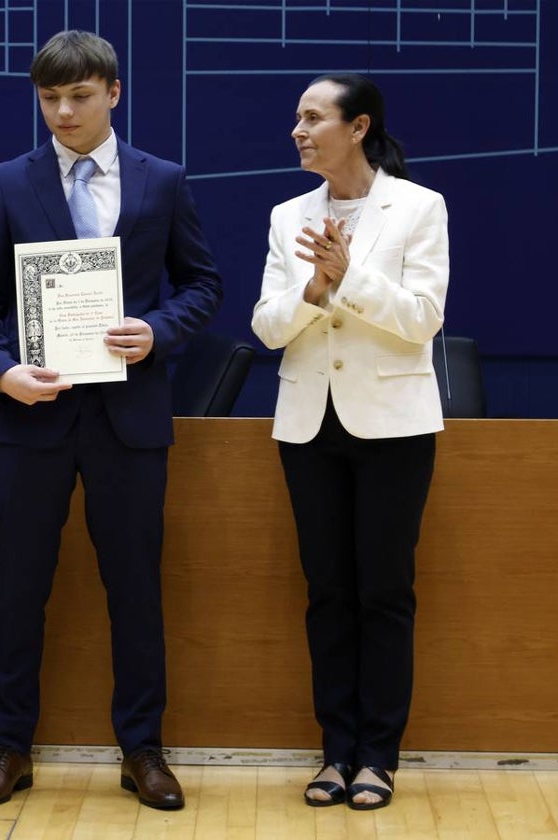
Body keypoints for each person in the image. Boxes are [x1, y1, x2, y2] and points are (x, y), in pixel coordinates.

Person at [0, 30, 223, 810]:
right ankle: (8, 747)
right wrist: (2, 371)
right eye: (49, 98)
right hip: (30, 417)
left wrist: (159, 332)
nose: (63, 111)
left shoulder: (162, 181)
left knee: (135, 589)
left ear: (112, 92)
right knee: (17, 592)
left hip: (129, 418)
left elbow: (201, 284)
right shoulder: (7, 181)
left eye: (78, 96)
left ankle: (143, 749)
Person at [251, 73, 449, 811]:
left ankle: (379, 757)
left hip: (394, 427)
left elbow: (422, 319)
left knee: (385, 591)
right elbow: (266, 326)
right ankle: (335, 753)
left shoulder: (418, 207)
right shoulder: (286, 214)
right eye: (296, 119)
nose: (298, 131)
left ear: (358, 126)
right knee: (328, 591)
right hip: (309, 424)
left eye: (312, 118)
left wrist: (347, 275)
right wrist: (310, 290)